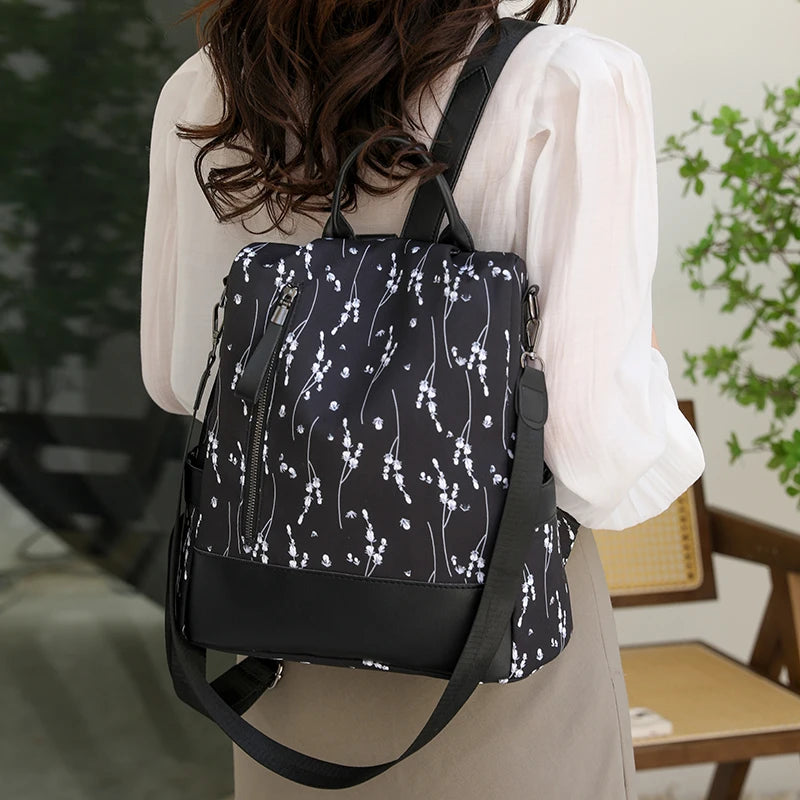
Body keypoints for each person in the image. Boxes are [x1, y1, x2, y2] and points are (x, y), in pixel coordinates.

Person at [141, 1, 706, 797]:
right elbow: (593, 450)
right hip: (487, 646)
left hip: (276, 642)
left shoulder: (206, 86)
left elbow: (177, 377)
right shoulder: (566, 81)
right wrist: (642, 380)